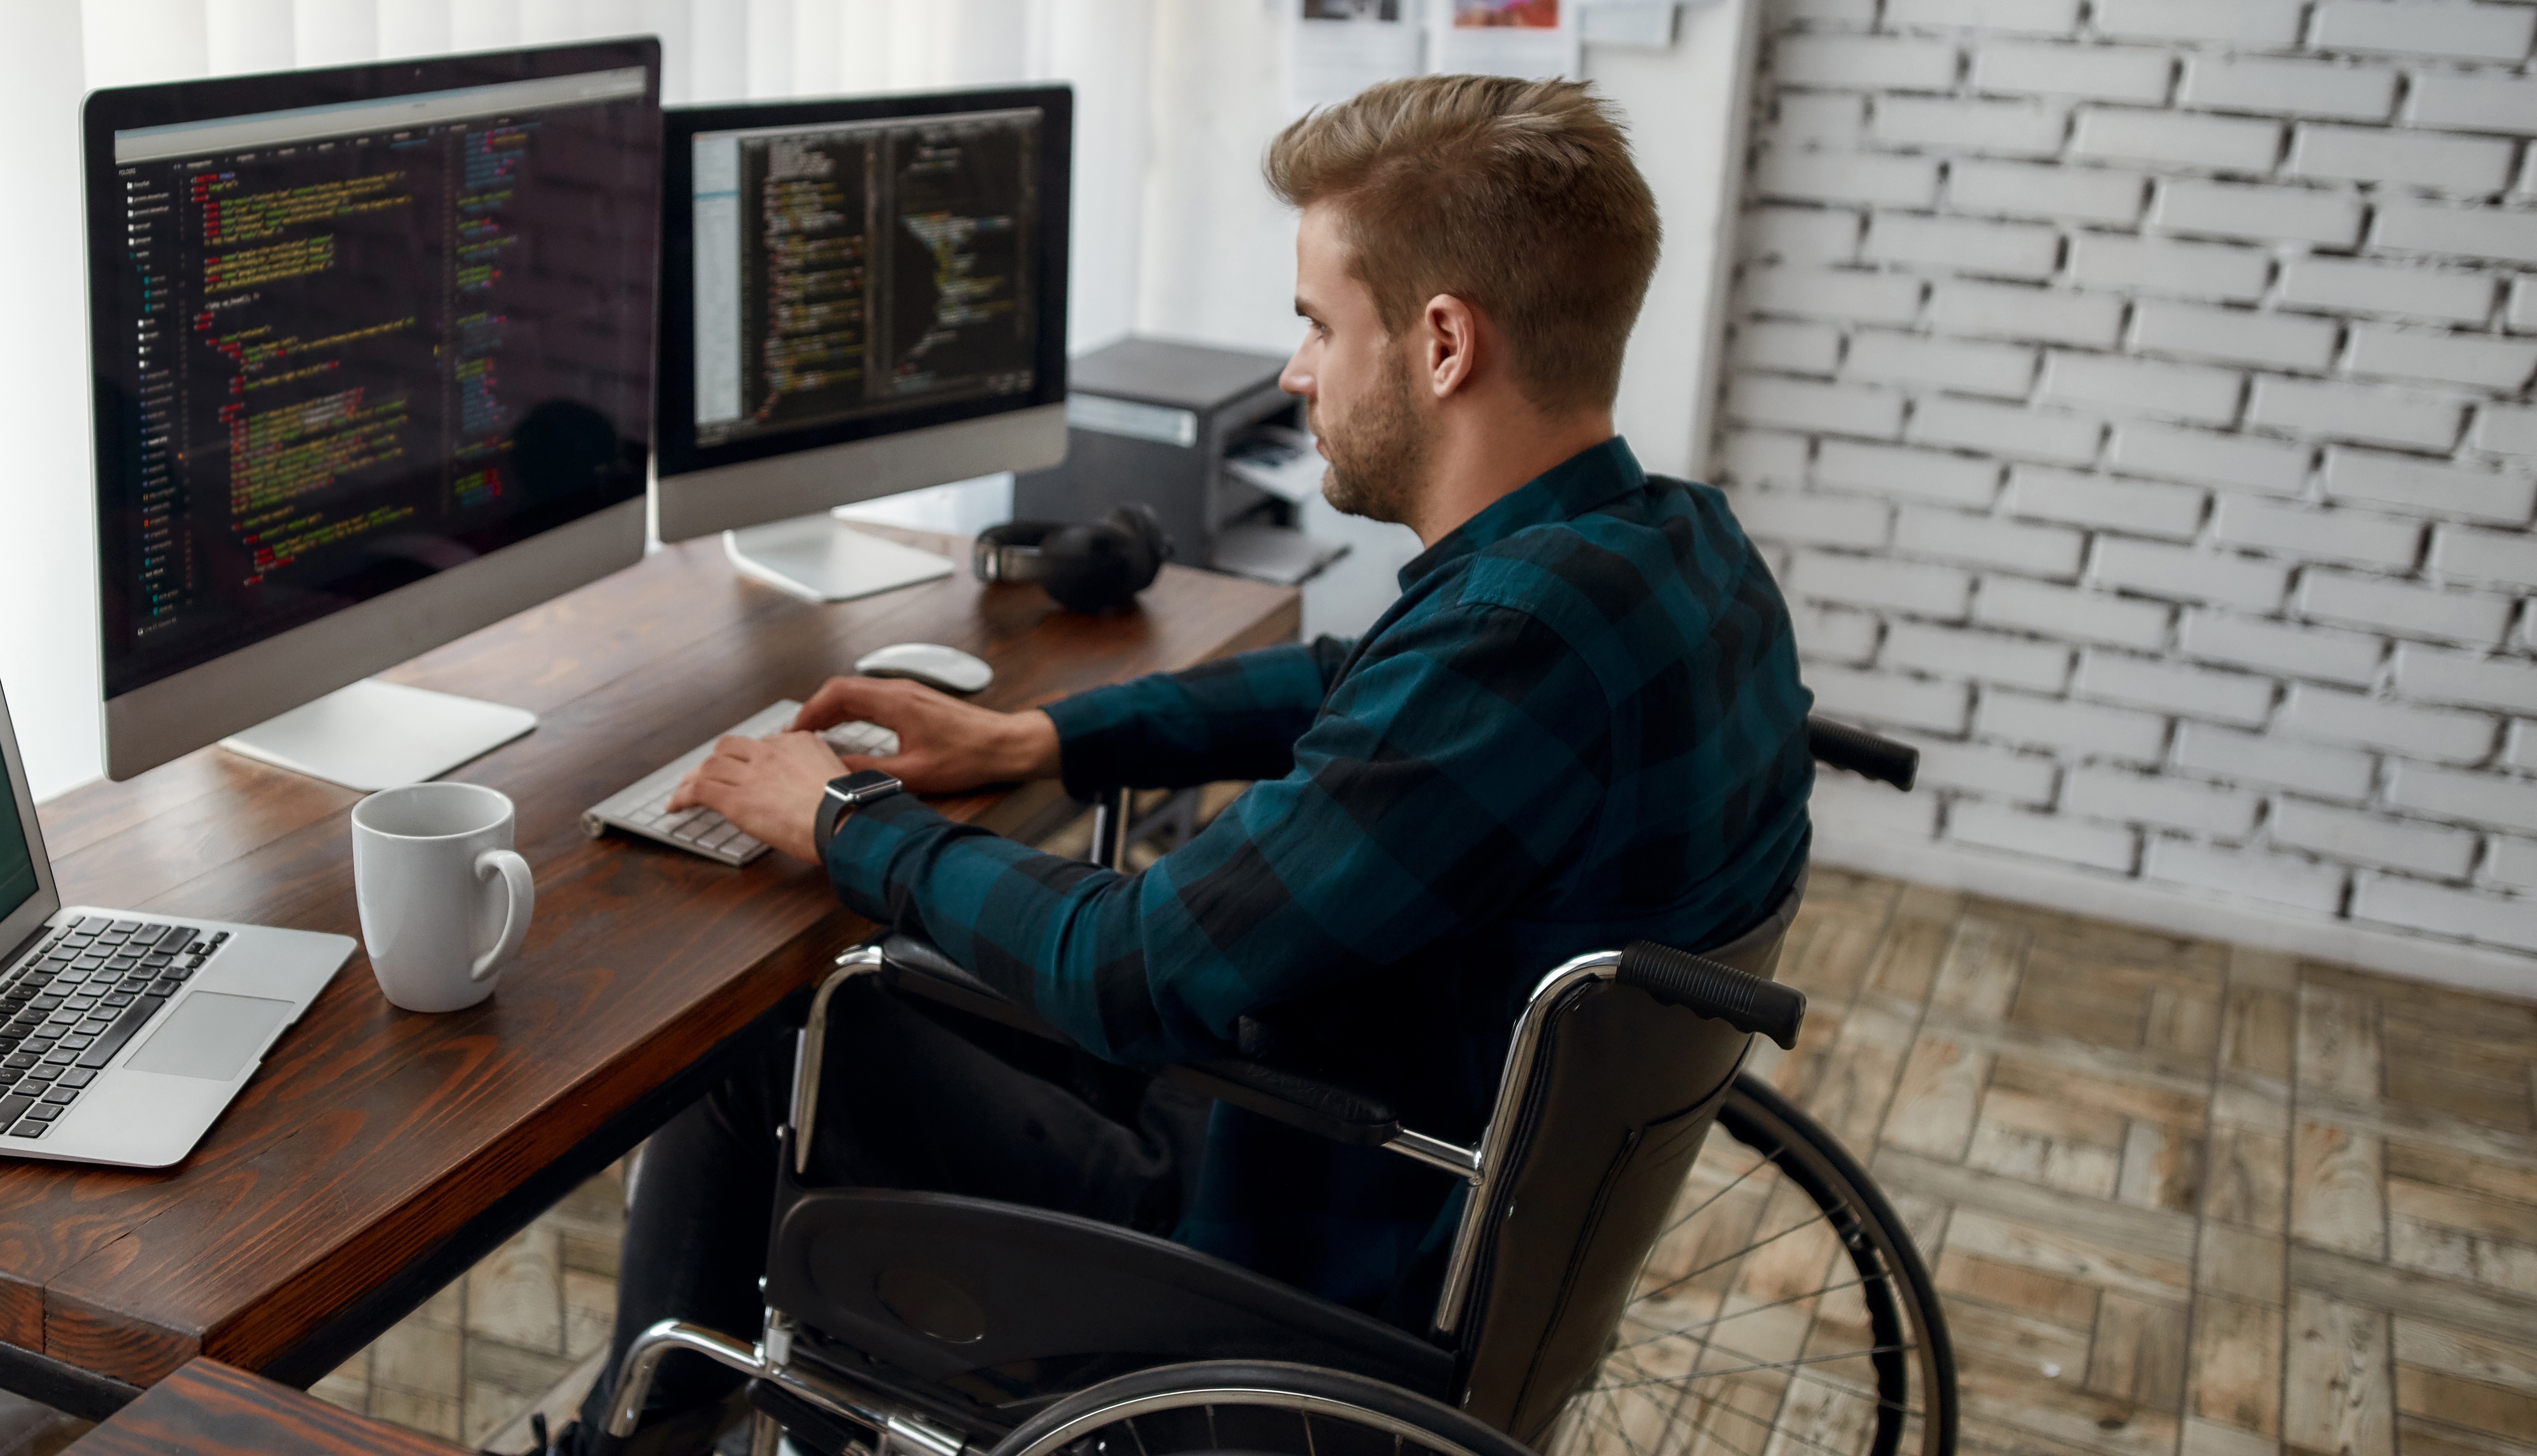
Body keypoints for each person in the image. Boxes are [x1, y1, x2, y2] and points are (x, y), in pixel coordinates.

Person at [570, 73, 1814, 1455]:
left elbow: (1137, 969)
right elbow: (1355, 687)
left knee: (773, 1035)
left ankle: (635, 1445)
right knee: (929, 983)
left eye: (1316, 326)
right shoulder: (1676, 552)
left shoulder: (1514, 642)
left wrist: (846, 816)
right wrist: (1039, 737)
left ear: (1445, 342)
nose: (1295, 373)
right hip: (1427, 1183)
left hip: (1277, 1259)